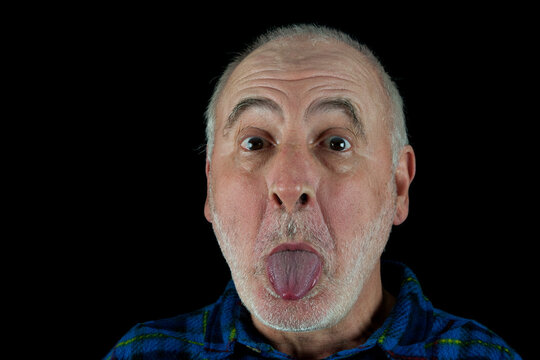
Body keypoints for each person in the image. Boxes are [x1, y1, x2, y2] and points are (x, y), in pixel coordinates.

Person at [104, 24, 521, 360]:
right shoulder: (142, 354)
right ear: (210, 185)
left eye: (336, 143)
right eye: (255, 143)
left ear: (398, 185)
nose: (288, 185)